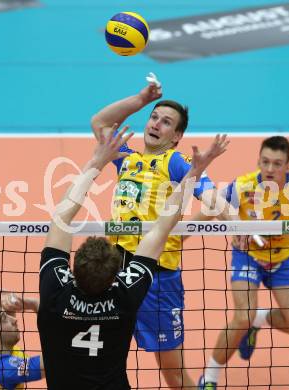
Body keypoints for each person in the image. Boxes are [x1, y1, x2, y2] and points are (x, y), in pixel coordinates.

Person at [37, 124, 228, 389]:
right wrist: (193, 173)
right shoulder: (124, 297)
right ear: (113, 274)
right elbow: (160, 229)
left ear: (73, 270)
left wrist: (96, 161)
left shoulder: (55, 293)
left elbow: (61, 218)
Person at [91, 76, 231, 388]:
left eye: (166, 122)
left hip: (158, 277)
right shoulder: (127, 160)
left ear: (178, 135)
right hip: (115, 270)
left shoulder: (176, 162)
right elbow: (100, 121)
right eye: (154, 117)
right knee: (101, 359)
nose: (156, 124)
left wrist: (236, 223)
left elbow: (209, 196)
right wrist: (141, 99)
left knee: (172, 372)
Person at [198, 136, 289, 389]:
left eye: (277, 164)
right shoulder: (243, 186)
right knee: (241, 316)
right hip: (248, 256)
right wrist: (181, 234)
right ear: (258, 161)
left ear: (288, 166)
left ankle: (260, 319)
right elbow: (213, 206)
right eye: (265, 162)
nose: (269, 169)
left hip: (285, 258)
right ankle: (210, 377)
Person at [0, 283, 44, 389]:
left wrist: (9, 306)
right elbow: (51, 362)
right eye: (4, 318)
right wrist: (35, 304)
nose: (15, 320)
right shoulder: (4, 369)